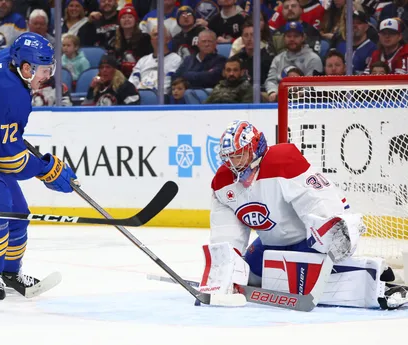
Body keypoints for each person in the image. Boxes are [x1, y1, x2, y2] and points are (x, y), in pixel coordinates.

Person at [200, 119, 408, 310]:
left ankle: (383, 280)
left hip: (307, 241)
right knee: (249, 274)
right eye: (229, 158)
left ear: (256, 147)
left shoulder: (281, 161)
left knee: (319, 277)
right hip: (272, 244)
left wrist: (334, 230)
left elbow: (317, 199)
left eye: (240, 155)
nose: (234, 163)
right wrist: (226, 271)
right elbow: (226, 233)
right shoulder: (223, 182)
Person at [0, 33, 78, 307]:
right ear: (27, 68)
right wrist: (47, 170)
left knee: (17, 213)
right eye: (44, 70)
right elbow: (9, 162)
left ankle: (9, 273)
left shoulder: (4, 57)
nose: (47, 75)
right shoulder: (13, 97)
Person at [264, 21, 323, 103]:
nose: (292, 39)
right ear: (284, 38)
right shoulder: (278, 59)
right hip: (280, 101)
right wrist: (273, 92)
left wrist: (298, 93)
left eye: (296, 36)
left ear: (303, 37)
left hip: (306, 102)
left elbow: (313, 84)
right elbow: (271, 80)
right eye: (288, 36)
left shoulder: (313, 59)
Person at [129, 26, 182, 94]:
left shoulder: (176, 59)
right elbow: (133, 80)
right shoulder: (143, 60)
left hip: (160, 96)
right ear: (151, 40)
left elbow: (169, 82)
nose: (157, 37)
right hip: (139, 94)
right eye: (155, 35)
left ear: (168, 39)